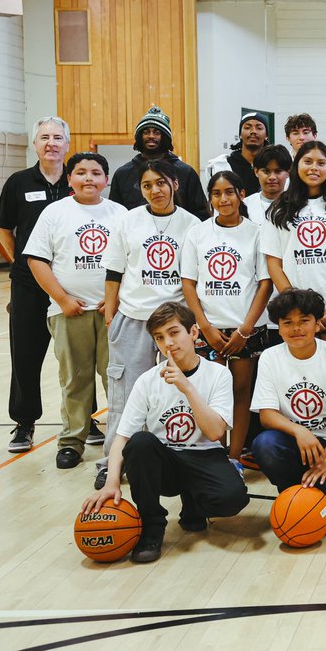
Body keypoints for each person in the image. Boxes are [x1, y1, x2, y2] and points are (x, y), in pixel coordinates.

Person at [82, 302, 249, 564]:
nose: (167, 342)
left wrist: (187, 388)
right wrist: (112, 481)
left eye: (174, 333)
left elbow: (216, 432)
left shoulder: (218, 375)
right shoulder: (148, 380)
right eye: (159, 337)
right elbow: (122, 438)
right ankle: (152, 526)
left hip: (205, 456)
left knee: (232, 499)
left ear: (193, 333)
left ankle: (194, 503)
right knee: (140, 442)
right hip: (166, 462)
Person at [96, 159, 200, 490]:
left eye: (161, 183)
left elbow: (193, 278)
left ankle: (173, 455)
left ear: (175, 184)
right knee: (124, 395)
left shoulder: (192, 224)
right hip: (133, 318)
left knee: (175, 393)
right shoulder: (128, 221)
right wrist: (111, 315)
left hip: (175, 319)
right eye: (147, 185)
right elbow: (114, 272)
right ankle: (112, 460)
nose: (155, 190)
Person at [24, 152, 126, 469]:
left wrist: (117, 298)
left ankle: (122, 444)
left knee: (118, 382)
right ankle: (71, 442)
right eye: (80, 173)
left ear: (106, 180)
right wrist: (64, 299)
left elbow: (133, 261)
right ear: (69, 179)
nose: (88, 179)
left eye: (96, 173)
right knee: (74, 381)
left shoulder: (121, 214)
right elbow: (36, 260)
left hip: (114, 313)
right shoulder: (54, 213)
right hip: (69, 312)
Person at [182, 171, 273, 472]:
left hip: (246, 329)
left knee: (240, 392)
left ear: (241, 195)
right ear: (210, 198)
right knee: (212, 393)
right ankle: (215, 455)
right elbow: (188, 283)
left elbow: (265, 284)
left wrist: (245, 330)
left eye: (230, 192)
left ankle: (234, 457)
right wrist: (205, 327)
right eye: (217, 193)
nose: (224, 199)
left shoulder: (257, 232)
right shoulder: (198, 233)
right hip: (209, 327)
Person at [249, 288, 326, 532]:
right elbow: (267, 415)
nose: (296, 328)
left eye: (304, 321)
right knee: (264, 444)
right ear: (278, 327)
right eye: (287, 322)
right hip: (291, 442)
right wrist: (299, 431)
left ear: (318, 324)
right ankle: (292, 492)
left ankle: (318, 482)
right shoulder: (270, 358)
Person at [0, 116, 72, 453]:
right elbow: (3, 230)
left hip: (73, 285)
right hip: (28, 287)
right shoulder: (18, 182)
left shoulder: (79, 178)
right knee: (25, 355)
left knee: (79, 357)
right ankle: (24, 423)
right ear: (34, 144)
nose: (51, 143)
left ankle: (84, 419)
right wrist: (22, 264)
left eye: (57, 137)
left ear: (67, 144)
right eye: (44, 137)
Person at [262, 141, 326, 348]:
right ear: (296, 166)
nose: (314, 168)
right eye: (307, 161)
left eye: (321, 163)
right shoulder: (279, 207)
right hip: (296, 315)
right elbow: (273, 263)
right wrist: (296, 308)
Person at [108, 107, 210, 220]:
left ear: (165, 138)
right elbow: (114, 214)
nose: (151, 136)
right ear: (139, 137)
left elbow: (201, 214)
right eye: (146, 132)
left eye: (157, 132)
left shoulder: (186, 172)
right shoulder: (123, 174)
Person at [205, 111, 269, 196]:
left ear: (266, 136)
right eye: (247, 127)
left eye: (259, 128)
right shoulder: (221, 166)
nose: (253, 131)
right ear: (240, 135)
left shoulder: (273, 165)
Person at [244, 144, 292, 224]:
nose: (272, 177)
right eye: (266, 171)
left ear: (288, 172)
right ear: (256, 171)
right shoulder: (245, 205)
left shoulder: (297, 205)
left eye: (278, 171)